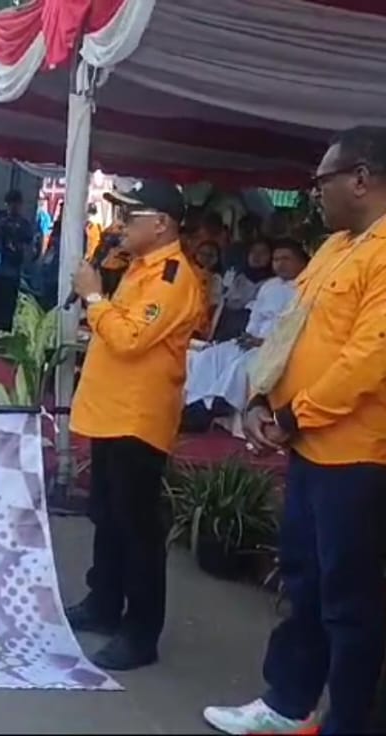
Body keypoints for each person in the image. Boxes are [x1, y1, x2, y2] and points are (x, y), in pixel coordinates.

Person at [204, 127, 386, 736]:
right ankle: (289, 705)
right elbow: (292, 330)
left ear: (360, 178)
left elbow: (369, 357)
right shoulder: (337, 248)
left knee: (350, 602)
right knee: (304, 584)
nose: (315, 194)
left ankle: (348, 722)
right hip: (311, 451)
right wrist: (259, 393)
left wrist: (291, 416)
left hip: (360, 458)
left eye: (322, 182)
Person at [66, 179, 204, 671]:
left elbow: (128, 339)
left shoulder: (172, 277)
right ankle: (103, 601)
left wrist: (93, 299)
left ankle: (140, 632)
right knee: (106, 515)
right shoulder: (140, 269)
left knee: (137, 528)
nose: (121, 225)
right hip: (111, 412)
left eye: (131, 217)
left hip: (138, 419)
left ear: (161, 223)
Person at [184, 240, 305, 420]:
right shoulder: (270, 285)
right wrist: (248, 336)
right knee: (211, 356)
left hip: (277, 348)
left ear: (301, 262)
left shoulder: (306, 288)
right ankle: (196, 402)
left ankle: (214, 407)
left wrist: (262, 342)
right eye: (276, 259)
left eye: (286, 258)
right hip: (253, 339)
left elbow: (295, 329)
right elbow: (256, 316)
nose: (280, 263)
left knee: (241, 366)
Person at [0, 188, 38, 331]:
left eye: (15, 203)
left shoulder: (24, 224)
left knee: (8, 309)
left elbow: (30, 246)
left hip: (12, 271)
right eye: (10, 203)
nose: (13, 207)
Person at [214, 238, 274, 340]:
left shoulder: (273, 284)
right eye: (253, 251)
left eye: (263, 252)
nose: (256, 256)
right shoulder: (236, 276)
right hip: (225, 330)